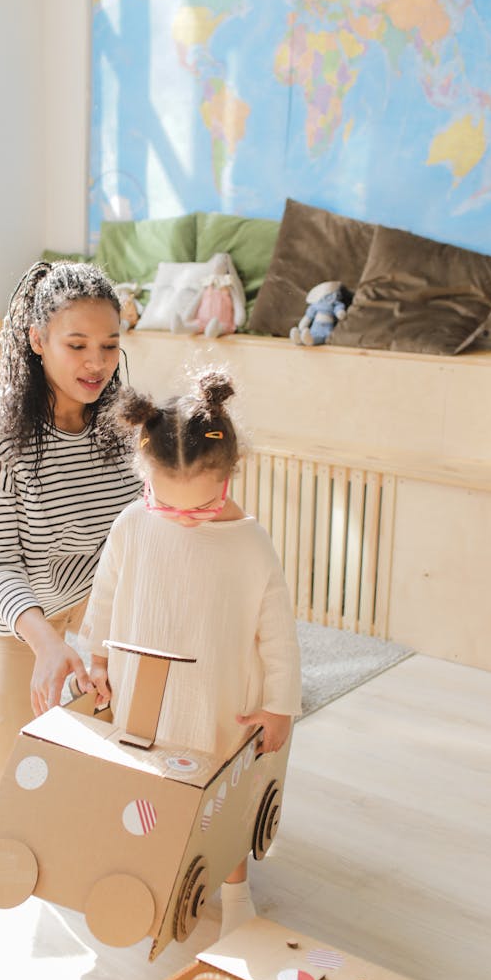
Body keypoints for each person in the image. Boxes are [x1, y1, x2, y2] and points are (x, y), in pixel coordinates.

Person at [78, 366, 301, 937]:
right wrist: (97, 659)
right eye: (166, 503)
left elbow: (277, 634)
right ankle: (153, 868)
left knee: (223, 800)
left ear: (228, 479)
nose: (181, 518)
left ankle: (235, 891)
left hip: (222, 701)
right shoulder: (132, 523)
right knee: (148, 785)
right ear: (144, 478)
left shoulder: (249, 543)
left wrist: (279, 706)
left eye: (198, 508)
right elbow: (103, 597)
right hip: (145, 696)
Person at [0, 260, 142, 811]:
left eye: (108, 345)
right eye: (77, 345)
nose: (96, 363)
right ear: (36, 339)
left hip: (85, 593)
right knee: (5, 795)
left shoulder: (120, 423)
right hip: (2, 608)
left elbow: (135, 533)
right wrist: (47, 643)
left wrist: (103, 640)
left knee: (141, 718)